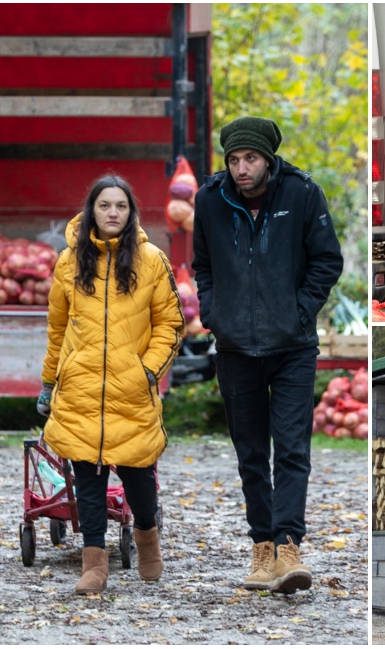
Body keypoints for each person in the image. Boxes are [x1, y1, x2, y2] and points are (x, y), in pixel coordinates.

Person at [192, 116, 343, 594]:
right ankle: (261, 548)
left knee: (293, 449)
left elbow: (327, 260)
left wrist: (300, 313)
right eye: (234, 160)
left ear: (268, 158)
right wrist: (215, 313)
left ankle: (289, 545)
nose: (241, 169)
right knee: (251, 452)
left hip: (293, 346)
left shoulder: (302, 194)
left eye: (250, 159)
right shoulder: (209, 200)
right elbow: (203, 266)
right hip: (236, 348)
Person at [36, 175, 184, 595]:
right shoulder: (68, 261)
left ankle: (147, 535)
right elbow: (57, 328)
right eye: (104, 206)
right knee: (88, 481)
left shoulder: (152, 260)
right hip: (81, 388)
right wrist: (49, 383)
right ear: (91, 212)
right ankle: (94, 564)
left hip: (131, 389)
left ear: (130, 212)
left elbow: (171, 324)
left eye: (120, 205)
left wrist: (148, 371)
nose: (113, 213)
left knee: (139, 478)